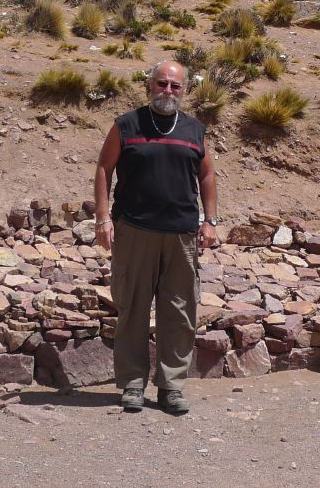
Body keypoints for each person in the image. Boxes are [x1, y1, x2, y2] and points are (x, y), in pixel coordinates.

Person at [93, 59, 219, 414]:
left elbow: (207, 175)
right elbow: (104, 168)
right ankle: (133, 384)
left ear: (184, 90)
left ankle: (171, 387)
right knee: (132, 308)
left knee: (179, 311)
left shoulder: (194, 129)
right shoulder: (126, 125)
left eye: (175, 85)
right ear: (149, 86)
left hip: (181, 234)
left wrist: (210, 220)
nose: (168, 91)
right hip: (135, 230)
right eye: (162, 83)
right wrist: (103, 219)